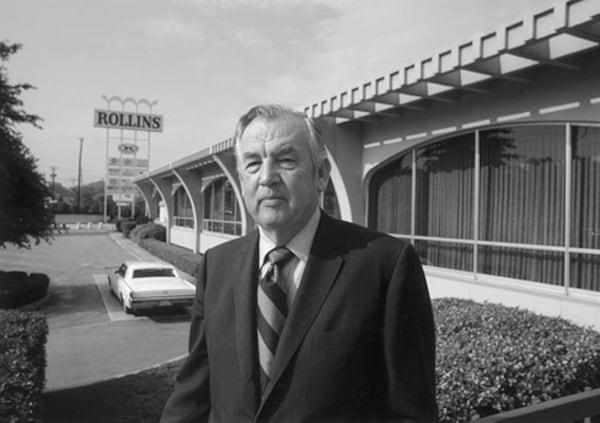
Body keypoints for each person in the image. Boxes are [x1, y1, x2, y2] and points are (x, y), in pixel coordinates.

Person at [160, 104, 438, 422]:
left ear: (320, 174)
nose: (267, 178)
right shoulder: (216, 266)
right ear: (240, 179)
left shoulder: (385, 266)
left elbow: (412, 412)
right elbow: (191, 396)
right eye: (252, 164)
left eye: (286, 160)